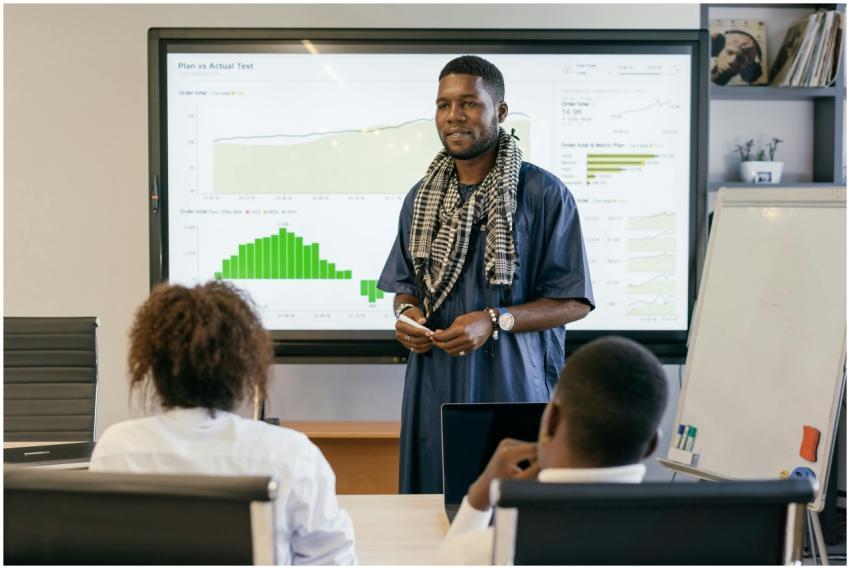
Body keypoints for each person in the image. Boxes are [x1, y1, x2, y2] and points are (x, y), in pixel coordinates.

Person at [378, 55, 594, 494]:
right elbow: (405, 290)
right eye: (443, 105)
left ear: (499, 112)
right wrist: (408, 317)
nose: (454, 116)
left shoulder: (543, 192)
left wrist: (494, 320)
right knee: (429, 517)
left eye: (469, 104)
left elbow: (574, 301)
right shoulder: (420, 198)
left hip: (513, 389)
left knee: (513, 523)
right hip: (432, 389)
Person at [90, 282, 357, 565]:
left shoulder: (116, 449)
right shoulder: (290, 453)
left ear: (154, 367)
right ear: (243, 370)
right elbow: (333, 560)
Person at [439, 336, 669, 564]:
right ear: (651, 446)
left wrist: (479, 498)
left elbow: (451, 560)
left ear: (551, 421)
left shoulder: (487, 552)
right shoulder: (681, 547)